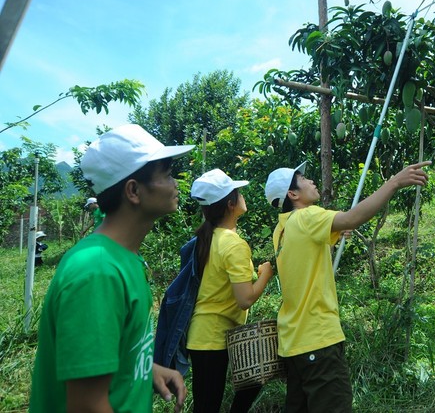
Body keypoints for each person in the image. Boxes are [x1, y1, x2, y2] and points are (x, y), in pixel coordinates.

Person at [29, 124, 191, 413]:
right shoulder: (98, 272)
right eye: (166, 175)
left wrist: (146, 370)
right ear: (133, 191)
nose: (175, 183)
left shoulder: (123, 258)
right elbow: (87, 406)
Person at [264, 160, 430, 412]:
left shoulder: (282, 229)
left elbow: (307, 256)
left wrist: (335, 233)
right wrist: (394, 182)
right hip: (317, 340)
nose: (311, 181)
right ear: (292, 194)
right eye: (303, 179)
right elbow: (354, 217)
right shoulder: (307, 216)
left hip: (293, 343)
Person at [186, 168, 274, 413]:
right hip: (213, 336)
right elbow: (245, 299)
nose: (242, 196)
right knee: (208, 406)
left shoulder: (207, 238)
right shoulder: (233, 243)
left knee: (210, 401)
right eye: (239, 192)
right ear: (231, 203)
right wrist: (266, 275)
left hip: (206, 334)